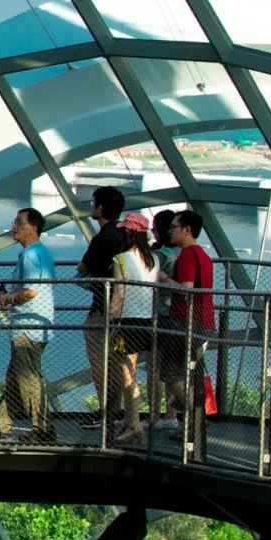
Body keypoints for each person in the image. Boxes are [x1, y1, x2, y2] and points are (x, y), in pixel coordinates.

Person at [0, 208, 55, 441]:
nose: (14, 227)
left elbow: (31, 291)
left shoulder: (30, 255)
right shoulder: (41, 252)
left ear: (33, 227)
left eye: (19, 222)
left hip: (28, 325)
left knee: (27, 377)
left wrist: (8, 298)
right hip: (37, 323)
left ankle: (42, 429)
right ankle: (0, 422)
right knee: (16, 375)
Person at [159, 209, 214, 431]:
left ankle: (193, 418)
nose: (169, 231)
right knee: (192, 374)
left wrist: (163, 279)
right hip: (204, 321)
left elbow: (186, 290)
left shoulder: (187, 255)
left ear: (187, 230)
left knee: (172, 375)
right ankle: (191, 423)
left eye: (174, 227)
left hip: (185, 321)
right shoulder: (204, 255)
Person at [77, 186, 127, 428]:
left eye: (93, 203)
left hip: (102, 309)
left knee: (99, 361)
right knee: (119, 362)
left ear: (100, 208)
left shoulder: (104, 238)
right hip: (127, 310)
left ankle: (105, 411)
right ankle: (116, 411)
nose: (91, 207)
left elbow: (83, 267)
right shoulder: (126, 234)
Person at [110, 212, 159, 444]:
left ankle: (135, 424)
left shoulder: (121, 259)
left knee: (127, 375)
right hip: (148, 321)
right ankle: (132, 420)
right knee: (133, 373)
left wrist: (111, 317)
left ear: (129, 232)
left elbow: (119, 293)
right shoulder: (154, 260)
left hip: (127, 322)